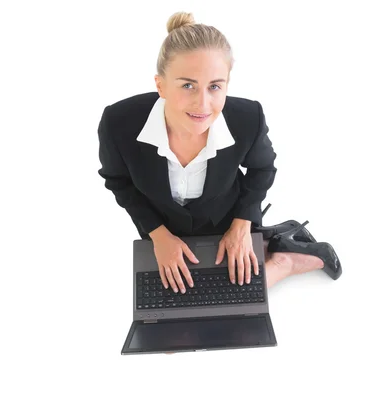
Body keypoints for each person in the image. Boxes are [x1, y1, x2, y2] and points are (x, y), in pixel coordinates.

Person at [97, 11, 342, 294]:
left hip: (226, 220)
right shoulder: (118, 123)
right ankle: (272, 239)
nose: (203, 104)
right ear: (160, 85)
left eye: (215, 86)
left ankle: (287, 258)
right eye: (187, 85)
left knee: (236, 296)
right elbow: (118, 181)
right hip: (163, 227)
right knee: (170, 301)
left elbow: (263, 169)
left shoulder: (248, 118)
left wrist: (241, 226)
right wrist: (159, 236)